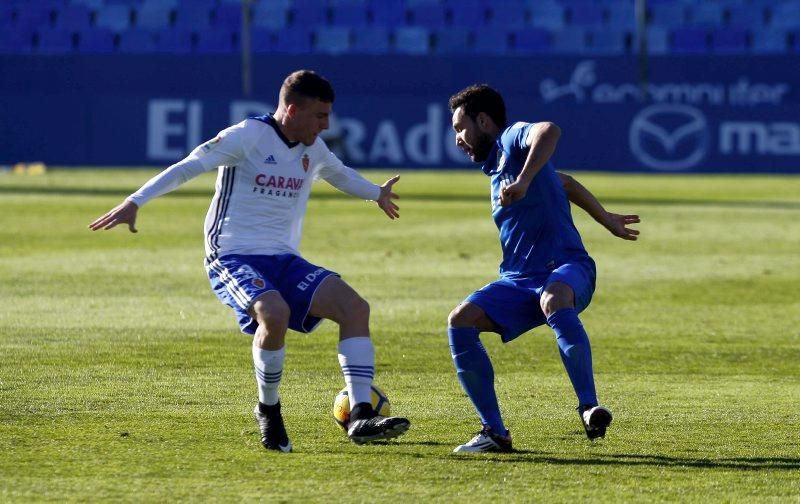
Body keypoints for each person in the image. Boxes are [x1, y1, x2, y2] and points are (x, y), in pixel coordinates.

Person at [89, 70, 411, 452]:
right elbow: (189, 165)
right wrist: (135, 201)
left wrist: (375, 193)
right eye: (319, 116)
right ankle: (269, 411)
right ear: (292, 110)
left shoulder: (313, 149)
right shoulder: (247, 136)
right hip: (232, 253)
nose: (326, 125)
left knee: (355, 308)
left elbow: (339, 174)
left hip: (285, 258)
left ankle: (360, 415)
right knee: (273, 314)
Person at [446, 84, 640, 453]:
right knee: (461, 319)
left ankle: (589, 406)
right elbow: (563, 182)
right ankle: (494, 432)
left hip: (569, 267)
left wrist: (523, 180)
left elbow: (549, 130)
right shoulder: (495, 170)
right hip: (518, 280)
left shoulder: (511, 138)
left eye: (460, 127)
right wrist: (606, 217)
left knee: (554, 298)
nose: (457, 139)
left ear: (483, 120)